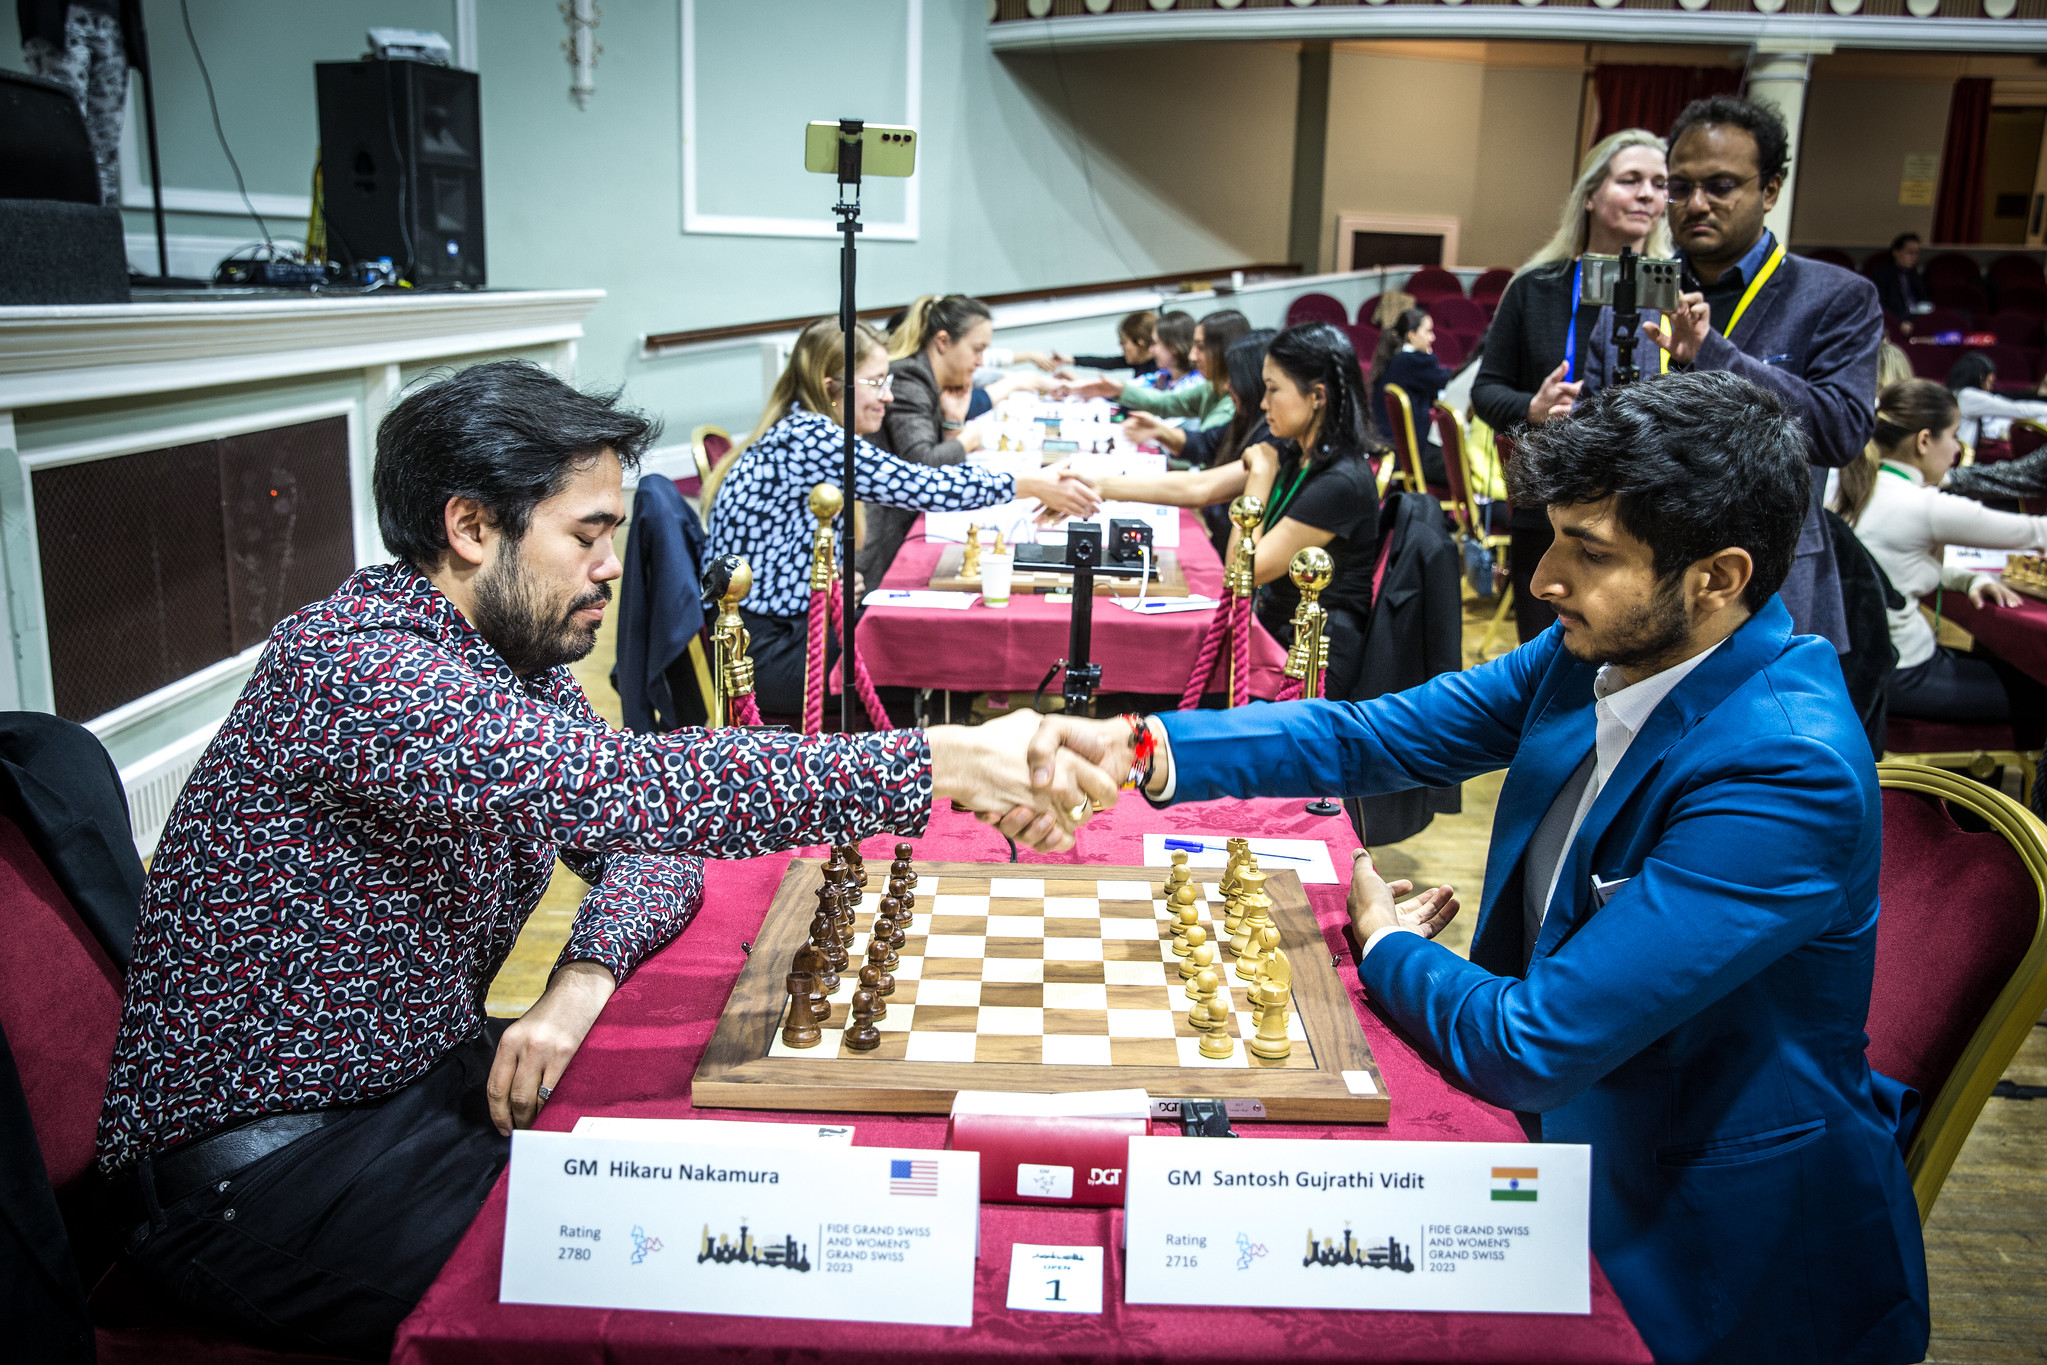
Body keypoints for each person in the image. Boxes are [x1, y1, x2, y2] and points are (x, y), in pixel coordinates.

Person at [94, 360, 1118, 1358]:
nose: (612, 567)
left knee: (744, 1183)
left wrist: (582, 974)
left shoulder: (511, 663)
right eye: (587, 535)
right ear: (469, 527)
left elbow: (649, 841)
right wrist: (933, 756)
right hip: (271, 1175)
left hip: (426, 1086)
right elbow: (631, 788)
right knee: (711, 1277)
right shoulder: (361, 666)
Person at [1020, 370, 1930, 1365]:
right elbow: (1375, 736)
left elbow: (1531, 1044)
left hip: (1698, 1240)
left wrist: (1388, 947)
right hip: (1558, 1131)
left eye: (1588, 553)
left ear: (1717, 577)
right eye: (1550, 536)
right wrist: (1145, 747)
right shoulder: (1598, 654)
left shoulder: (1781, 766)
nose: (1541, 581)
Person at [706, 320, 1099, 714]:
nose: (889, 396)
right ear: (831, 388)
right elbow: (921, 484)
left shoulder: (797, 426)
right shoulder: (810, 437)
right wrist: (1029, 484)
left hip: (778, 634)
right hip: (766, 657)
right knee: (925, 663)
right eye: (876, 382)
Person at [1627, 94, 1883, 654]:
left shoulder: (1836, 297)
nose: (1696, 203)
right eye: (1680, 186)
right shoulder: (1643, 288)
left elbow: (1840, 431)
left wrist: (1713, 356)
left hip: (1772, 584)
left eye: (1721, 185)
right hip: (1644, 574)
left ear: (1769, 189)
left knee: (1761, 742)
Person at [1075, 323, 1385, 699]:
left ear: (1317, 396)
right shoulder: (1292, 447)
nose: (1263, 403)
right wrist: (1097, 485)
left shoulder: (1341, 481)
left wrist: (1260, 475)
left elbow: (1243, 571)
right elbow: (1200, 487)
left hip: (1311, 663)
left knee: (1145, 689)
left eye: (1273, 390)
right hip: (1273, 631)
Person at [1473, 128, 1670, 643]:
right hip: (1551, 506)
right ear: (1589, 195)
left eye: (1659, 183)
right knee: (1549, 668)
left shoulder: (1679, 290)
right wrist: (1532, 410)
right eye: (1630, 180)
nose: (1648, 194)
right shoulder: (1536, 285)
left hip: (1650, 514)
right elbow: (1486, 391)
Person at [1835, 378, 2047, 745]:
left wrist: (1967, 579)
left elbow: (1884, 567)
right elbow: (2036, 532)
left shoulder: (1858, 485)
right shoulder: (1923, 506)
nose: (1956, 450)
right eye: (1953, 435)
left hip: (1866, 667)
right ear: (1924, 441)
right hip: (1902, 672)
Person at [862, 294, 998, 587]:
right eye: (977, 349)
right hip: (877, 541)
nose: (980, 361)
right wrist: (965, 441)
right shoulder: (910, 377)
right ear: (943, 341)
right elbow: (923, 464)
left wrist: (953, 423)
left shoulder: (924, 377)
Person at [1064, 309, 1250, 460]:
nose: (1192, 356)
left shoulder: (1229, 404)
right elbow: (1166, 402)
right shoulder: (1211, 386)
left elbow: (1202, 448)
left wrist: (1159, 433)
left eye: (1200, 347)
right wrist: (1118, 390)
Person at [1367, 306, 1453, 488]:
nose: (1433, 337)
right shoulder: (1414, 361)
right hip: (1408, 451)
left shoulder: (1396, 358)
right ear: (1412, 335)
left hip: (1392, 446)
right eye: (1428, 331)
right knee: (1461, 462)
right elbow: (1448, 380)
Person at [1945, 350, 2047, 451]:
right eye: (1990, 383)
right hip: (1958, 461)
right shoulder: (1967, 395)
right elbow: (2017, 409)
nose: (1990, 389)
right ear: (1981, 377)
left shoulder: (1959, 393)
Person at [1057, 309, 1159, 379]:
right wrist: (1069, 359)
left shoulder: (1157, 372)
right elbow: (1106, 362)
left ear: (1140, 344)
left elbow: (1130, 396)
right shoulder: (1140, 360)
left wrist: (1078, 383)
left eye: (1123, 341)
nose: (1120, 345)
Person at [1869, 233, 1931, 323]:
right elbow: (1881, 304)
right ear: (1896, 252)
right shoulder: (1882, 274)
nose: (1913, 258)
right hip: (1894, 320)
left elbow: (1925, 302)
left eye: (1916, 253)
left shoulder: (1915, 275)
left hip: (1916, 319)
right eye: (1909, 253)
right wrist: (1900, 321)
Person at [1141, 310, 1202, 392]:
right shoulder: (1164, 376)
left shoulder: (1195, 385)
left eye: (1155, 343)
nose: (1150, 350)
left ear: (1174, 346)